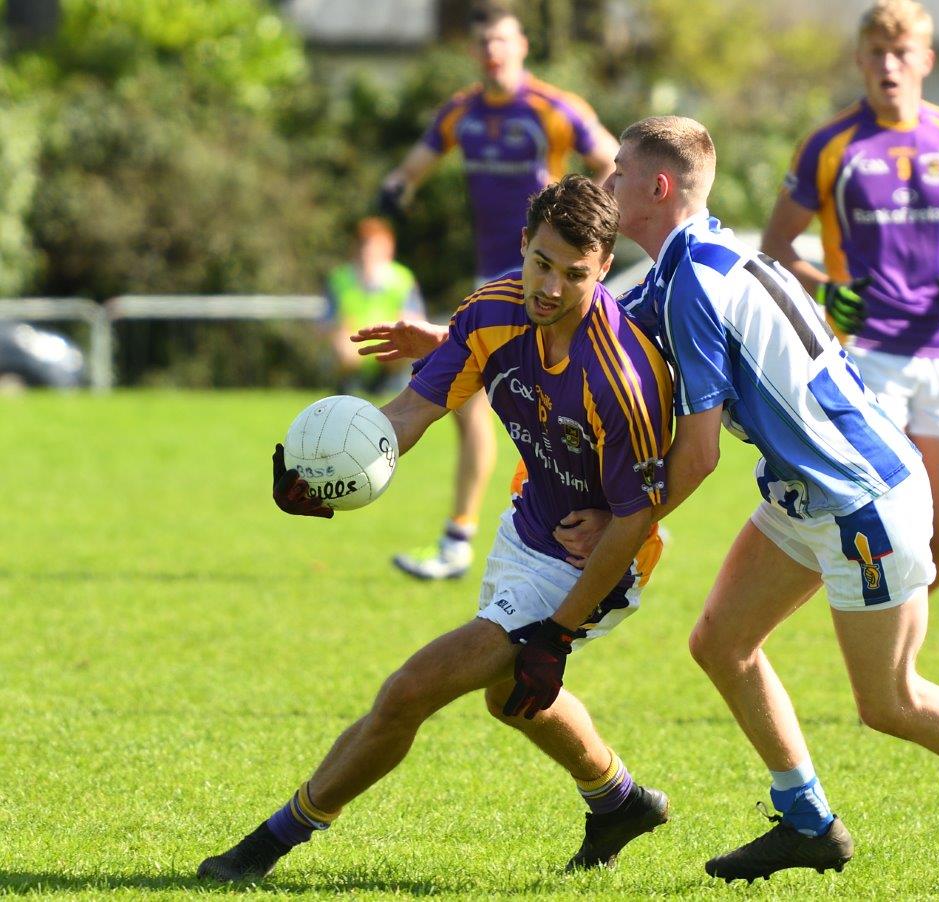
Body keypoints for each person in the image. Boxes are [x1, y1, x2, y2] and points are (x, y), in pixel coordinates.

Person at [562, 114, 939, 892]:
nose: (605, 183)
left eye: (618, 171)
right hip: (809, 494)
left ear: (658, 187)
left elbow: (699, 452)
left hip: (862, 504)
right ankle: (808, 823)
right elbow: (594, 327)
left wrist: (627, 527)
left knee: (891, 702)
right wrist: (461, 342)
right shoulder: (697, 259)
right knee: (722, 642)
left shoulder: (692, 285)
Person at [197, 176, 672, 883]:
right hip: (526, 527)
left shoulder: (619, 376)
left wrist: (558, 633)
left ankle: (266, 845)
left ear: (604, 267)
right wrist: (323, 473)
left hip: (596, 556)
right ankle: (620, 801)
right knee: (512, 697)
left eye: (574, 274)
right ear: (523, 245)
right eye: (540, 263)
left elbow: (635, 518)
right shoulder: (490, 313)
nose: (549, 287)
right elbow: (409, 414)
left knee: (408, 692)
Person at [377, 1, 621, 581]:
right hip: (493, 280)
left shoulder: (552, 107)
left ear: (522, 47)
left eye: (502, 42)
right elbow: (413, 166)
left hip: (549, 282)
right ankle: (465, 536)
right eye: (483, 43)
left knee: (512, 404)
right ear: (473, 51)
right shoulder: (460, 112)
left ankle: (580, 522)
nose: (493, 52)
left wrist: (582, 232)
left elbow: (614, 162)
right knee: (468, 407)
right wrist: (394, 191)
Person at [759, 0, 939, 592]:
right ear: (861, 60)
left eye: (902, 52)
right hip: (865, 357)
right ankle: (881, 651)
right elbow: (777, 243)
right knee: (890, 528)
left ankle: (886, 636)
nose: (890, 65)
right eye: (878, 53)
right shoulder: (830, 145)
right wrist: (825, 289)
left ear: (927, 60)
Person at [325, 217, 425, 395]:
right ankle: (347, 387)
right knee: (342, 348)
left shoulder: (402, 279)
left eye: (375, 246)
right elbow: (324, 322)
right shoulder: (340, 279)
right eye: (364, 245)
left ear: (388, 248)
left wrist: (402, 325)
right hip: (353, 343)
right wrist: (338, 330)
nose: (368, 251)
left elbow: (418, 319)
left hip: (389, 343)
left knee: (406, 341)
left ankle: (386, 384)